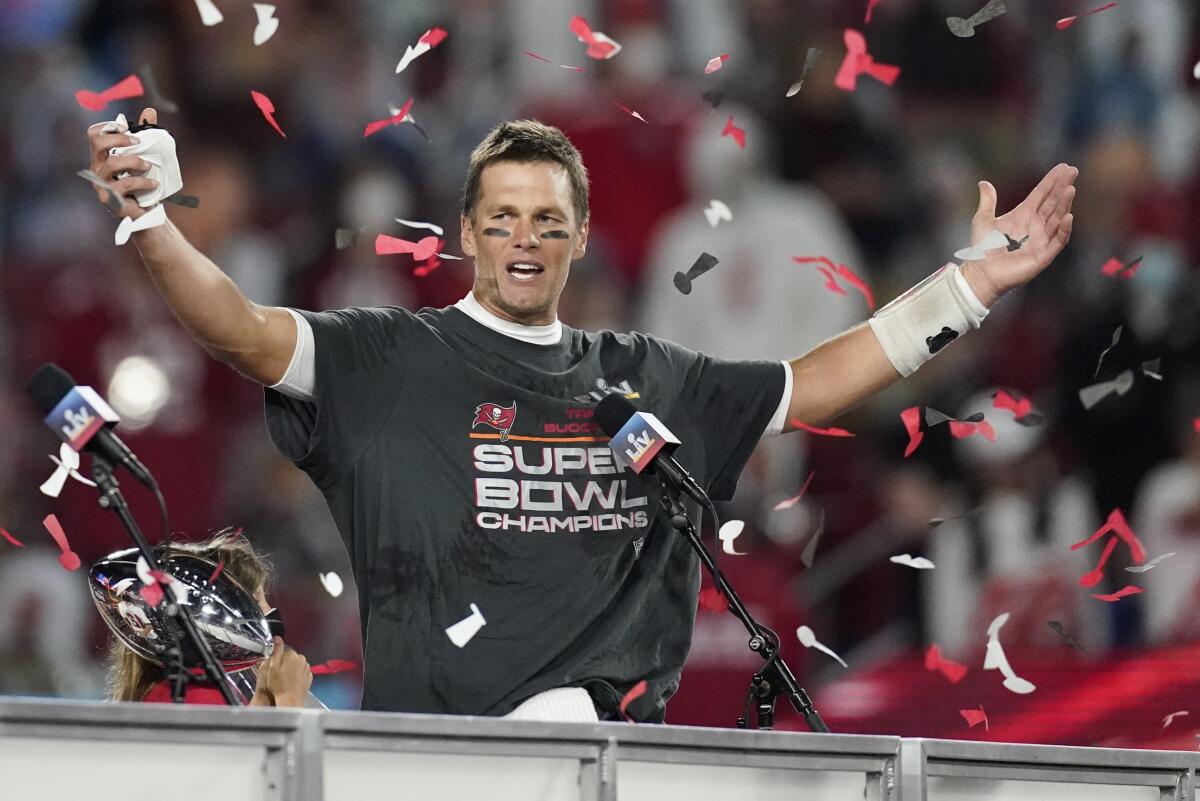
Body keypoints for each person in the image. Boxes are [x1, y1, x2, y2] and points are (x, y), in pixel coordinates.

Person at [85, 108, 1076, 722]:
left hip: (598, 758)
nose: (526, 238)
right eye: (505, 218)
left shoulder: (647, 374)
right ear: (468, 231)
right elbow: (240, 330)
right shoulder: (388, 358)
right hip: (433, 765)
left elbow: (815, 380)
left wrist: (969, 285)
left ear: (582, 237)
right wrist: (152, 222)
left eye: (549, 220)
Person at [104, 528, 313, 707]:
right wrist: (288, 700)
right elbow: (250, 754)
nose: (270, 613)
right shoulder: (193, 697)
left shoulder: (207, 690)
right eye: (256, 603)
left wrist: (266, 698)